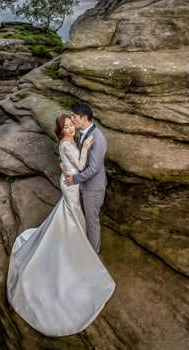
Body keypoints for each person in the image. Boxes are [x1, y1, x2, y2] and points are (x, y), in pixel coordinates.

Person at [6, 113, 115, 337]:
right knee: (72, 215)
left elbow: (69, 165)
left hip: (70, 184)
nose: (70, 128)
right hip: (72, 186)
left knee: (70, 215)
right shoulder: (67, 144)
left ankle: (69, 242)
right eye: (66, 126)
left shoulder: (67, 142)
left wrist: (72, 160)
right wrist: (84, 148)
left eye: (71, 124)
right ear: (61, 130)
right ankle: (71, 249)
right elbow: (82, 164)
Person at [62, 102, 107, 253]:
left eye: (74, 116)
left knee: (92, 222)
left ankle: (94, 255)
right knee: (85, 219)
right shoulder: (81, 133)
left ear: (84, 118)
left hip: (94, 188)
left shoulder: (98, 138)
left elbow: (94, 168)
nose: (72, 119)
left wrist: (74, 180)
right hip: (84, 185)